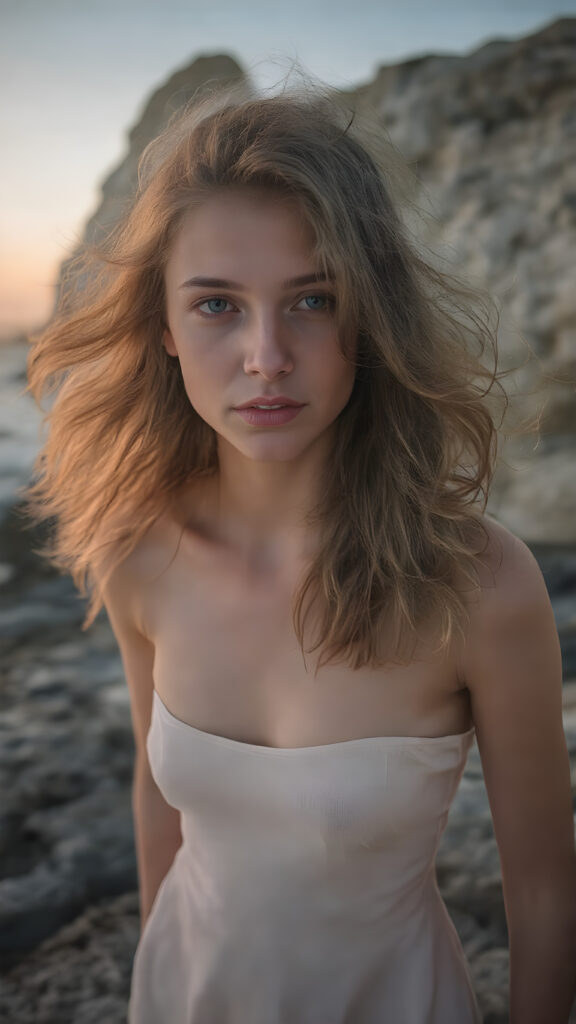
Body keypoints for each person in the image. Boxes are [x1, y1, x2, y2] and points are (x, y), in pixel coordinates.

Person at [25, 81, 576, 1024]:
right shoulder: (135, 553)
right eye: (217, 306)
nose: (267, 356)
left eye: (312, 299)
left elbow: (546, 895)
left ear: (369, 314)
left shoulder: (477, 585)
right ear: (162, 323)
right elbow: (163, 807)